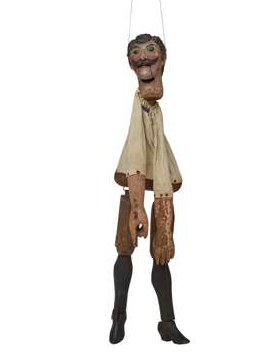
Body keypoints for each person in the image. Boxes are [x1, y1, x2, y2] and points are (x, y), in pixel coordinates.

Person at [109, 34, 190, 344]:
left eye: (151, 50)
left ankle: (167, 322)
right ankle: (119, 316)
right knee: (125, 248)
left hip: (159, 188)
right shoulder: (140, 108)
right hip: (135, 189)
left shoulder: (153, 110)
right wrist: (137, 205)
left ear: (163, 60)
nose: (143, 56)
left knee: (161, 253)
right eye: (136, 52)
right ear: (130, 63)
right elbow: (135, 154)